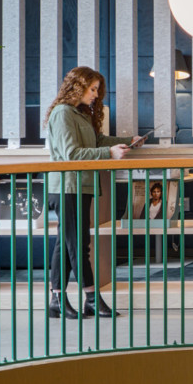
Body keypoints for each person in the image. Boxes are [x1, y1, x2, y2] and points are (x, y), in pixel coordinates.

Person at [44, 66, 140, 319]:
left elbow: (95, 143)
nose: (96, 94)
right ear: (78, 86)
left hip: (80, 185)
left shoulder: (80, 114)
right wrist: (109, 154)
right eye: (93, 89)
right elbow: (71, 154)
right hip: (67, 187)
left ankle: (56, 300)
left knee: (65, 246)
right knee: (79, 244)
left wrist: (129, 140)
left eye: (98, 89)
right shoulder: (63, 113)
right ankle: (91, 298)